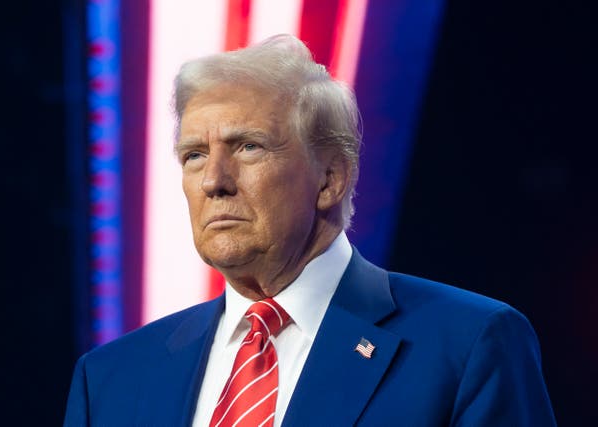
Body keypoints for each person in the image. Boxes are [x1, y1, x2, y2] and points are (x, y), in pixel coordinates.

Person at [64, 34, 556, 426]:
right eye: (194, 155)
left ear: (330, 178)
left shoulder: (468, 344)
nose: (214, 180)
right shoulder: (110, 378)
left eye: (248, 147)